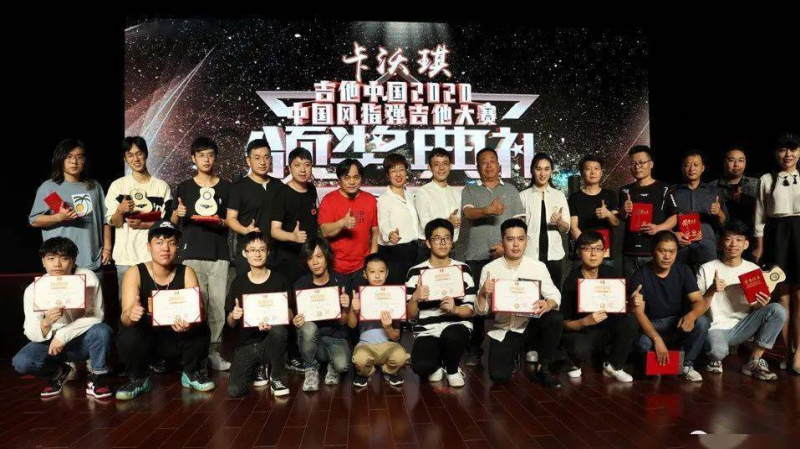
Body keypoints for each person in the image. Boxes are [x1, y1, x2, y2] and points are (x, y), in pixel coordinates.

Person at [115, 221, 214, 400]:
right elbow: (124, 318)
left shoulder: (187, 272)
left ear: (177, 248)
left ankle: (191, 372)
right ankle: (138, 378)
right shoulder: (135, 272)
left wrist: (191, 321)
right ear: (149, 247)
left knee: (201, 327)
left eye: (171, 243)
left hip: (176, 337)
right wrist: (131, 314)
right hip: (148, 340)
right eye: (159, 242)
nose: (165, 248)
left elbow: (201, 313)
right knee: (128, 333)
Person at [12, 237, 113, 398]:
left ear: (73, 260)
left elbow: (96, 315)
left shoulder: (88, 277)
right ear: (43, 261)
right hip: (52, 345)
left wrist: (62, 335)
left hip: (82, 341)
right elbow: (30, 329)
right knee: (21, 362)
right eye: (51, 259)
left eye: (64, 258)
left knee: (102, 331)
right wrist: (45, 323)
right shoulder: (33, 289)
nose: (57, 264)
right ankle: (58, 373)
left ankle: (98, 378)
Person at [475, 218, 563, 388]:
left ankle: (543, 367)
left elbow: (555, 295)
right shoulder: (490, 269)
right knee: (498, 376)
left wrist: (549, 303)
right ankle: (514, 353)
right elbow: (481, 311)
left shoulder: (538, 267)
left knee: (555, 317)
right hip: (506, 328)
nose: (516, 245)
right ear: (502, 241)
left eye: (520, 239)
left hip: (532, 326)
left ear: (526, 240)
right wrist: (483, 293)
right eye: (510, 239)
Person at [170, 137, 233, 371]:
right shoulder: (184, 187)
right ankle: (195, 355)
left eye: (210, 155)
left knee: (217, 307)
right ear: (193, 158)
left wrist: (221, 222)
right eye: (201, 155)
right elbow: (173, 222)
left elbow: (231, 220)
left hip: (219, 254)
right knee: (195, 306)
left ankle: (213, 352)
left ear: (215, 158)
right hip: (192, 254)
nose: (206, 159)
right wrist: (177, 213)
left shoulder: (226, 187)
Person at [460, 148, 525, 366]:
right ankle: (474, 348)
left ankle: (512, 349)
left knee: (509, 302)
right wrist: (488, 209)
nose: (488, 166)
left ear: (499, 166)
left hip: (506, 256)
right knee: (477, 303)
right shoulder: (470, 190)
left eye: (492, 161)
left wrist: (504, 247)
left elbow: (519, 223)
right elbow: (468, 213)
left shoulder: (511, 190)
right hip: (476, 255)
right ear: (478, 168)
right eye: (483, 162)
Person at [700, 220, 786, 380]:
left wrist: (760, 304)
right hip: (716, 327)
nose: (733, 244)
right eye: (728, 239)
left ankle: (754, 360)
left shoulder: (753, 269)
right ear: (720, 243)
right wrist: (712, 289)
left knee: (778, 310)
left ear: (746, 244)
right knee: (717, 352)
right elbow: (697, 307)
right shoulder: (707, 268)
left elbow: (755, 306)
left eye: (739, 240)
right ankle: (716, 358)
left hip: (744, 326)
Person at [630, 231, 710, 382]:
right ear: (653, 251)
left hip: (676, 322)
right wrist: (656, 339)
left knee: (702, 322)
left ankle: (686, 365)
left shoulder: (683, 270)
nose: (667, 256)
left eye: (672, 252)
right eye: (662, 251)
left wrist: (691, 315)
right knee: (643, 344)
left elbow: (699, 302)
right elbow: (639, 314)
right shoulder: (640, 275)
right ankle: (656, 366)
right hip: (651, 325)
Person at [559, 231, 639, 382]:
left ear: (604, 252)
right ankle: (575, 362)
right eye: (587, 249)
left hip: (605, 330)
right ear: (579, 252)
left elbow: (621, 309)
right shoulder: (571, 281)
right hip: (582, 332)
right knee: (578, 347)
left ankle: (614, 366)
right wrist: (585, 321)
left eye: (598, 248)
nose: (593, 254)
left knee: (630, 321)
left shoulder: (611, 273)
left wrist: (632, 304)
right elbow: (564, 324)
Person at [406, 218, 475, 387]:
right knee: (421, 367)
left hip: (456, 326)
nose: (443, 243)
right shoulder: (415, 272)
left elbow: (470, 310)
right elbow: (410, 315)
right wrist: (414, 298)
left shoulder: (463, 269)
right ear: (428, 243)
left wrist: (455, 309)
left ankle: (452, 369)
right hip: (428, 330)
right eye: (437, 238)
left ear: (452, 242)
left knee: (453, 335)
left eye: (447, 238)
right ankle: (439, 364)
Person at [30, 138, 112, 276]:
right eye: (68, 157)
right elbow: (34, 221)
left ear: (84, 161)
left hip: (92, 260)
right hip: (60, 264)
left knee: (94, 291)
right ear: (60, 159)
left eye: (79, 157)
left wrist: (107, 249)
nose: (74, 161)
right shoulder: (49, 187)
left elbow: (106, 220)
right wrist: (59, 217)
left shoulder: (94, 186)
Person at [753, 133, 800, 374]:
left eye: (793, 149)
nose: (788, 154)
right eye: (783, 150)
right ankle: (787, 351)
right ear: (776, 153)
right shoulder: (766, 179)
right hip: (777, 236)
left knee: (799, 296)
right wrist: (759, 246)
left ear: (799, 152)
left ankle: (799, 353)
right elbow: (760, 215)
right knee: (782, 296)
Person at [225, 231, 291, 397]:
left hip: (270, 342)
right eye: (252, 250)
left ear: (268, 252)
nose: (257, 254)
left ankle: (276, 377)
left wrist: (276, 320)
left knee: (278, 330)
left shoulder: (280, 280)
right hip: (246, 345)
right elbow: (230, 324)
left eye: (261, 249)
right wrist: (234, 315)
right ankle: (258, 366)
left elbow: (290, 315)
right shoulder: (238, 283)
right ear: (244, 253)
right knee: (234, 390)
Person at [107, 136, 172, 295]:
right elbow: (114, 222)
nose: (135, 159)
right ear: (125, 159)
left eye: (139, 153)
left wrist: (145, 225)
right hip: (125, 259)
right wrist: (120, 210)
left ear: (146, 154)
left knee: (155, 302)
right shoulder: (118, 186)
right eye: (130, 155)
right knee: (127, 305)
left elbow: (168, 223)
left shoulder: (161, 186)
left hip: (154, 258)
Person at [293, 238, 354, 391]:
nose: (315, 262)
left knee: (342, 366)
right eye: (310, 258)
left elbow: (344, 322)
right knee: (307, 328)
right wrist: (296, 320)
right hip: (313, 340)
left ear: (327, 257)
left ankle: (332, 364)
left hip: (336, 337)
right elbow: (299, 322)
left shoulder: (342, 282)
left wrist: (346, 308)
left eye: (319, 256)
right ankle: (310, 368)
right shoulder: (300, 285)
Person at [349, 253, 411, 387]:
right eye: (372, 272)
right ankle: (367, 372)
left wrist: (388, 327)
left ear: (387, 273)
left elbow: (396, 337)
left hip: (388, 345)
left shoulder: (394, 295)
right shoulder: (359, 296)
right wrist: (353, 309)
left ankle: (388, 371)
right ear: (365, 274)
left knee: (401, 357)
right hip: (366, 344)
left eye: (381, 271)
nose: (377, 276)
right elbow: (352, 325)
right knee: (359, 359)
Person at [318, 158, 379, 289]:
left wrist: (372, 258)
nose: (352, 182)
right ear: (339, 180)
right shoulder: (329, 200)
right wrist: (341, 223)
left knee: (361, 301)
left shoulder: (370, 200)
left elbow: (375, 231)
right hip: (336, 267)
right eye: (347, 178)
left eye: (356, 177)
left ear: (361, 178)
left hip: (362, 266)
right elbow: (324, 231)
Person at [619, 146, 678, 279]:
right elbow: (622, 218)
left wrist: (658, 228)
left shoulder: (665, 188)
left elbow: (674, 217)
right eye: (633, 163)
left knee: (655, 288)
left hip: (655, 251)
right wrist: (624, 210)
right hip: (630, 252)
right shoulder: (625, 190)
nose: (637, 167)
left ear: (651, 164)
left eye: (641, 162)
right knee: (631, 288)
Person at [227, 139, 284, 276]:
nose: (262, 162)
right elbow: (230, 218)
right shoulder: (239, 188)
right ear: (248, 160)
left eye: (266, 157)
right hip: (249, 253)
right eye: (257, 158)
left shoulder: (279, 186)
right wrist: (245, 230)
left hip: (274, 254)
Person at [519, 152, 571, 285]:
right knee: (530, 292)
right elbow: (517, 228)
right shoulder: (523, 196)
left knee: (554, 292)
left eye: (546, 169)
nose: (542, 173)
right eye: (538, 169)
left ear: (551, 171)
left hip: (555, 256)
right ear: (532, 171)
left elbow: (566, 228)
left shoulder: (558, 195)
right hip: (530, 255)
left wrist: (559, 222)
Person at [270, 147, 319, 284]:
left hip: (309, 256)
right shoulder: (282, 193)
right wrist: (293, 236)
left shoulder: (312, 189)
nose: (303, 170)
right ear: (289, 168)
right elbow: (274, 231)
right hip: (288, 258)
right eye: (297, 165)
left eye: (307, 165)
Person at [672, 150, 727, 271]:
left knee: (707, 281)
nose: (692, 168)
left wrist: (719, 213)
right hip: (679, 250)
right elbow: (663, 221)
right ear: (682, 168)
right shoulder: (672, 192)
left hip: (707, 250)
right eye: (687, 165)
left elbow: (725, 223)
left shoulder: (713, 192)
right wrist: (674, 235)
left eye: (696, 165)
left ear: (703, 168)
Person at [567, 155, 620, 269]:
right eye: (588, 169)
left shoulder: (610, 195)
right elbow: (573, 227)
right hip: (583, 253)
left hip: (605, 252)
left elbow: (616, 223)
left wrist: (608, 214)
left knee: (605, 280)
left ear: (601, 172)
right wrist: (588, 247)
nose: (593, 172)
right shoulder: (574, 198)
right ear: (582, 173)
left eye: (596, 168)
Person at [377, 153, 422, 285]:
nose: (398, 174)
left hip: (415, 250)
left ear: (406, 172)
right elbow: (383, 223)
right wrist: (390, 233)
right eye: (393, 171)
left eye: (401, 169)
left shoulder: (410, 195)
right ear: (387, 175)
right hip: (395, 253)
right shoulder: (384, 199)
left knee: (414, 289)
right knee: (398, 290)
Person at [414, 148, 462, 261]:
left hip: (451, 247)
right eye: (436, 164)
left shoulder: (456, 193)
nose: (441, 168)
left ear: (450, 166)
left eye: (445, 163)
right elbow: (426, 224)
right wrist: (448, 222)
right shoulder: (423, 192)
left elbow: (457, 225)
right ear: (430, 168)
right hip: (429, 248)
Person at [715, 147, 759, 260]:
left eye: (741, 160)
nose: (736, 164)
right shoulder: (712, 187)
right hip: (722, 243)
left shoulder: (757, 184)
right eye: (731, 160)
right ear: (724, 162)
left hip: (751, 243)